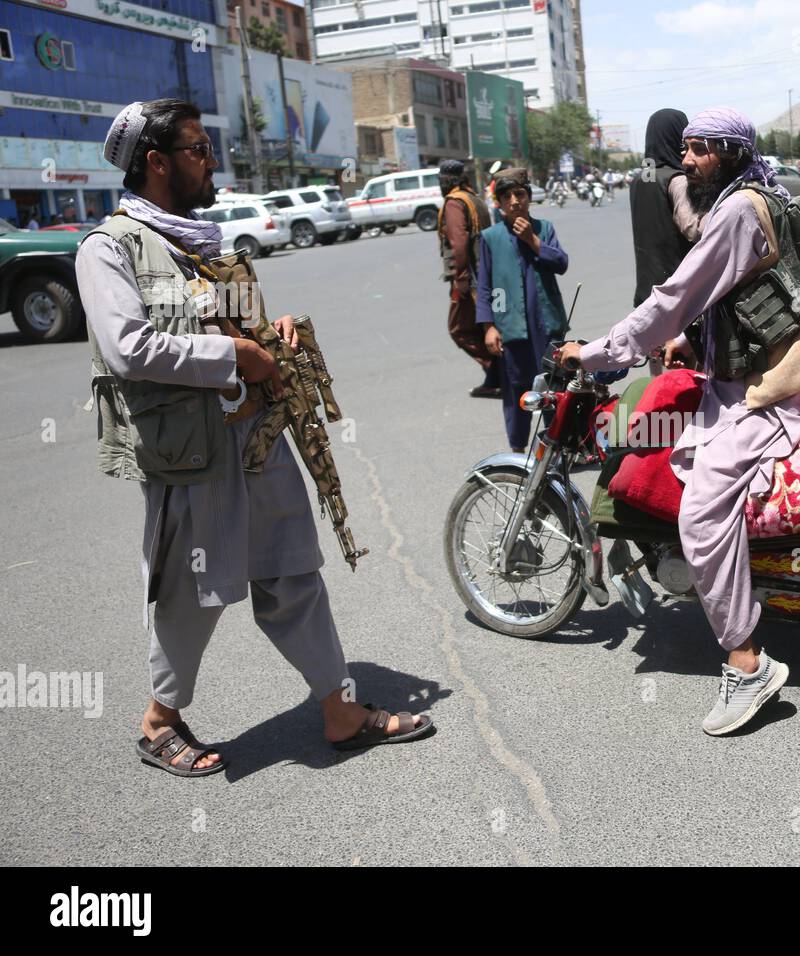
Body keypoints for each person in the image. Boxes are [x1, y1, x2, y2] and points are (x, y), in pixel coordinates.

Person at [76, 100, 435, 777]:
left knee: (294, 575)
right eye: (196, 149)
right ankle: (160, 722)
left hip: (255, 442)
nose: (211, 159)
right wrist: (238, 358)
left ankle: (338, 710)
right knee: (194, 591)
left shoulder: (197, 240)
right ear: (155, 163)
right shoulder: (109, 248)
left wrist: (278, 332)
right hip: (193, 456)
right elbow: (128, 347)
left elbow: (238, 324)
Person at [557, 107, 800, 736]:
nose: (685, 160)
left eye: (700, 149)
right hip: (778, 369)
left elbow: (674, 297)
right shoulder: (765, 193)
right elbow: (736, 295)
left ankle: (746, 661)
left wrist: (595, 352)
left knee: (701, 512)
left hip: (768, 391)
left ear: (731, 152)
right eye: (684, 148)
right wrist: (697, 345)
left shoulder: (737, 211)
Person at [476, 168, 570, 452]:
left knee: (553, 386)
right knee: (517, 387)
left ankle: (558, 447)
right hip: (511, 326)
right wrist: (489, 326)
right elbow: (486, 285)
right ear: (499, 203)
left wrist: (533, 240)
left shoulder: (544, 228)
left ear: (528, 197)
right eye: (507, 196)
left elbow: (562, 263)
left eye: (520, 194)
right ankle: (517, 449)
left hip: (547, 323)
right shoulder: (491, 237)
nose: (514, 201)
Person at [629, 108, 705, 371]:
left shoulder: (638, 181)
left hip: (647, 296)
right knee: (685, 380)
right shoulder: (677, 180)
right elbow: (695, 229)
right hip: (678, 297)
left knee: (659, 378)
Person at [437, 159, 499, 399]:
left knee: (459, 329)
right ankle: (495, 377)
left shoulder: (454, 202)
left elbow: (459, 243)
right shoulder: (473, 198)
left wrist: (461, 280)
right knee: (483, 326)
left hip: (469, 278)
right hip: (485, 272)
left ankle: (497, 370)